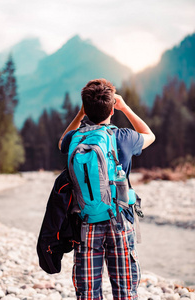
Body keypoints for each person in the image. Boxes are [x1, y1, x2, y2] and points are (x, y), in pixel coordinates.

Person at [58, 78, 155, 300]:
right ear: (112, 108)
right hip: (120, 221)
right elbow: (150, 135)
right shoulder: (123, 137)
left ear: (85, 108)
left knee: (88, 293)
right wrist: (125, 107)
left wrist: (81, 113)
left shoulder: (74, 139)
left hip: (86, 223)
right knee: (125, 292)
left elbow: (61, 142)